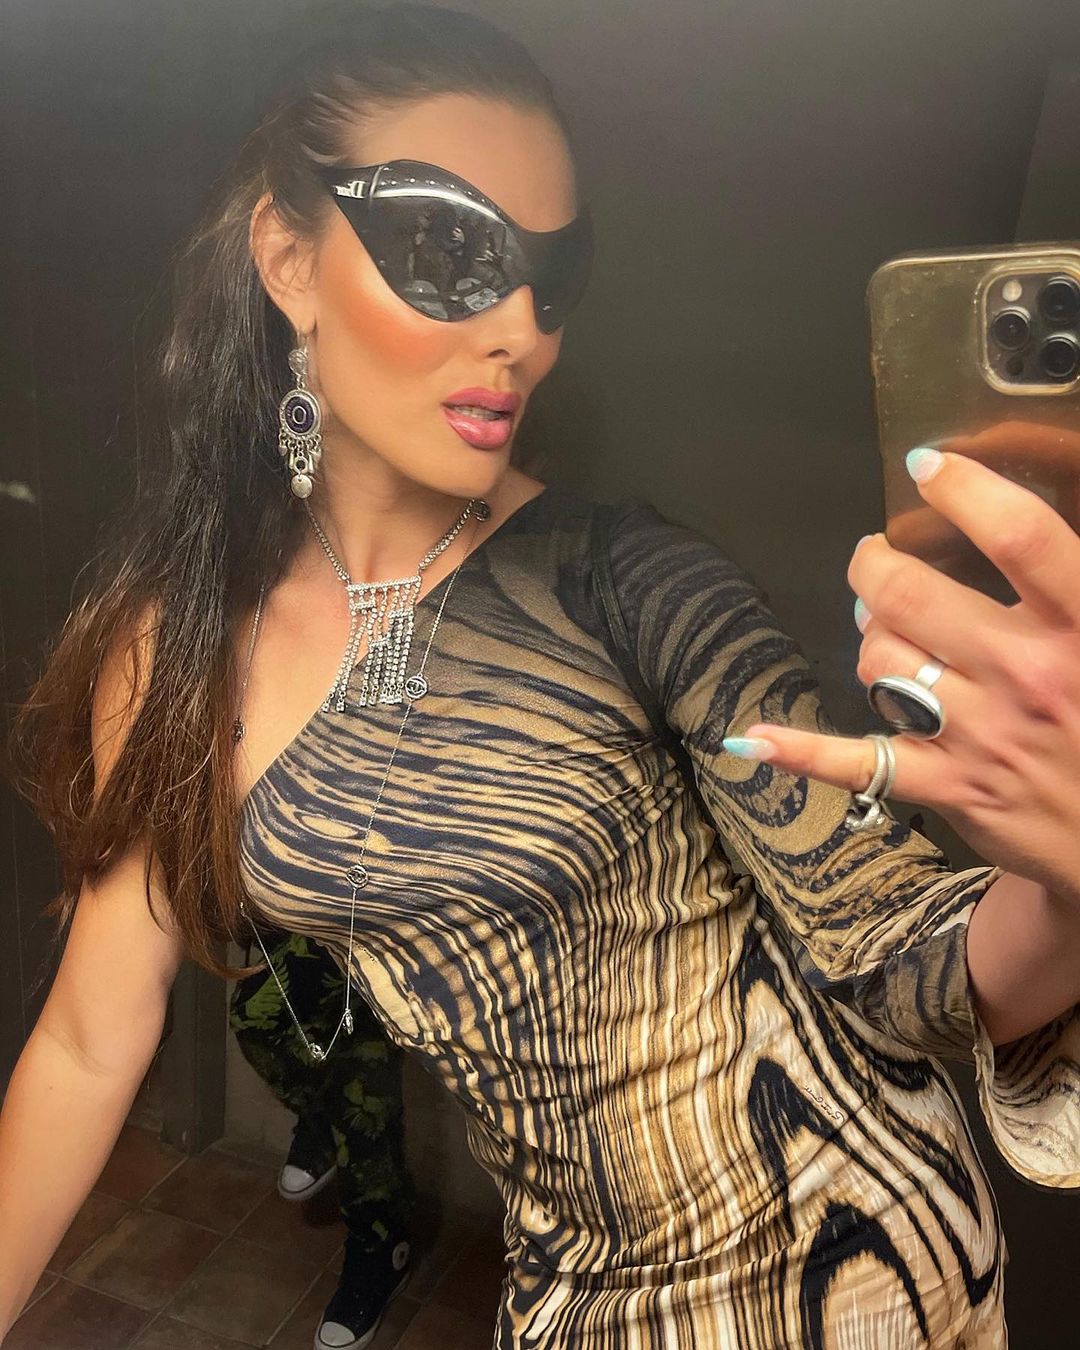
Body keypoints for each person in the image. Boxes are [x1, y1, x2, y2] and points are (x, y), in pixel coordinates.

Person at [1, 5, 1078, 1346]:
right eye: (453, 249)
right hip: (583, 1296)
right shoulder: (175, 648)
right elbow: (90, 1041)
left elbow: (899, 958)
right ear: (286, 255)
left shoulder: (626, 580)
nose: (524, 326)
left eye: (552, 275)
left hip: (867, 1278)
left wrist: (1065, 879)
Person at [228, 928, 416, 1349]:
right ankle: (380, 1244)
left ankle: (379, 1247)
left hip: (396, 917)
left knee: (363, 1081)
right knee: (347, 1063)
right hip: (323, 911)